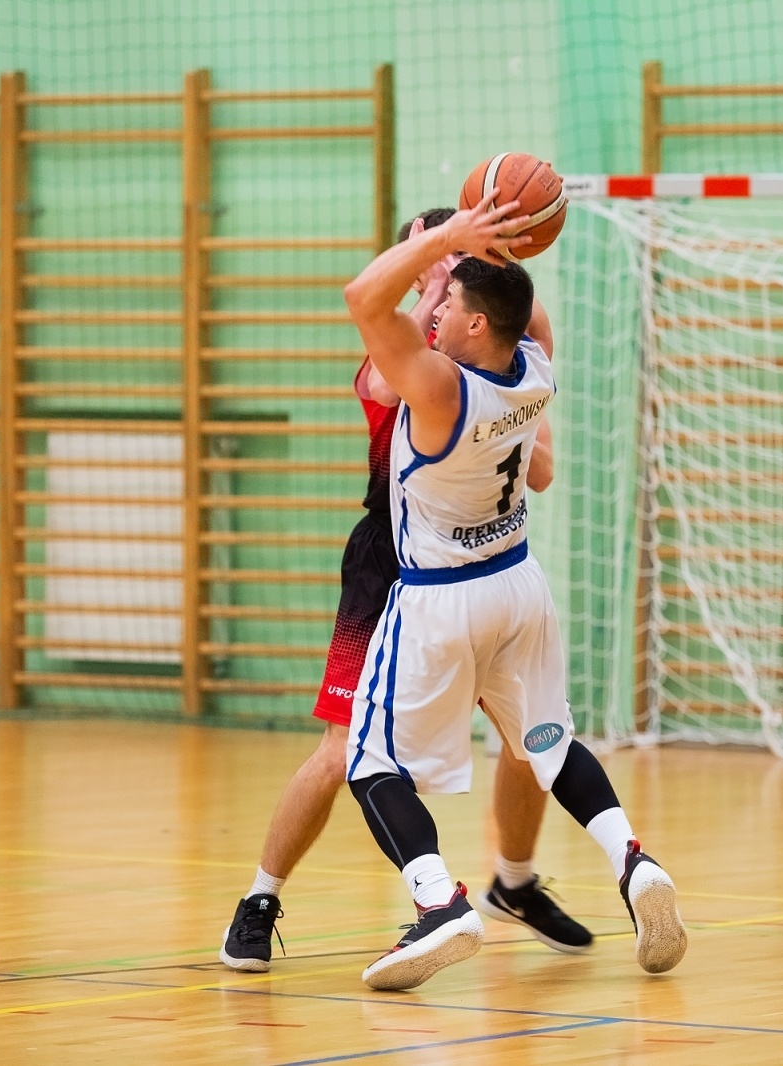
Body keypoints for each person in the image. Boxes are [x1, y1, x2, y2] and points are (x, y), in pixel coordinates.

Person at [220, 209, 590, 972]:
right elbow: (383, 377)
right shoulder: (398, 352)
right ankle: (259, 899)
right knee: (341, 752)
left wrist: (499, 263)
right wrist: (438, 264)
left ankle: (514, 882)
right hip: (391, 567)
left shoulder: (484, 359)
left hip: (477, 569)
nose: (454, 278)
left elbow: (544, 469)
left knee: (529, 739)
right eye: (442, 265)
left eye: (465, 269)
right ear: (419, 271)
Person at [341, 198, 689, 991]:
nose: (439, 309)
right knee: (549, 745)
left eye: (453, 302)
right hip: (519, 585)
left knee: (372, 762)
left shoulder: (436, 388)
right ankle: (633, 861)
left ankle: (439, 902)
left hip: (439, 599)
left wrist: (445, 242)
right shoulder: (534, 367)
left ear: (473, 324)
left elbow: (364, 298)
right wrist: (488, 253)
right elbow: (527, 314)